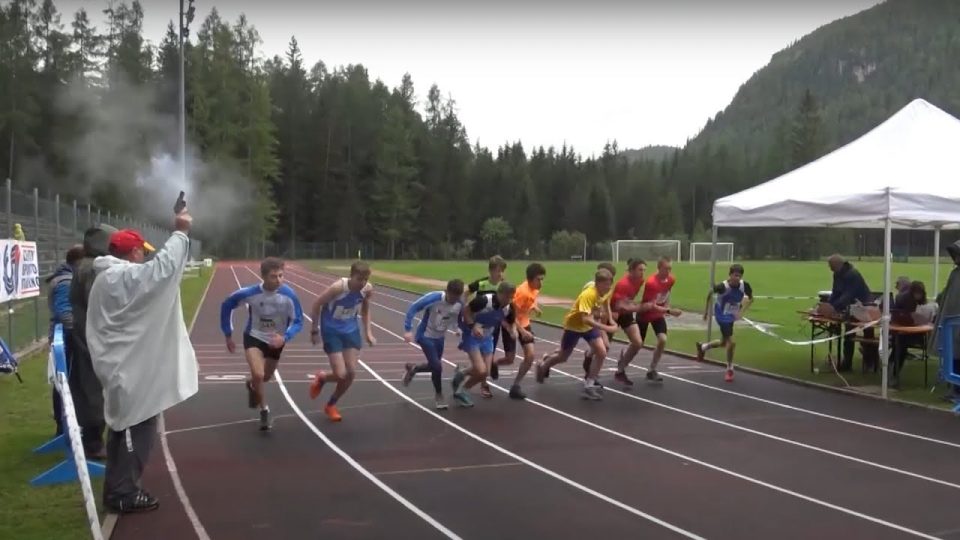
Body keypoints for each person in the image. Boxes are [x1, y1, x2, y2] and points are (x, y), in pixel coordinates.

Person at [87, 210, 197, 514]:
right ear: (133, 252)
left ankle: (116, 489)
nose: (143, 259)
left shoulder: (107, 278)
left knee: (124, 428)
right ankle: (123, 492)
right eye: (141, 253)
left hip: (121, 366)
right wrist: (181, 231)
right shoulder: (122, 277)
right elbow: (161, 272)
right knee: (137, 427)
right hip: (128, 369)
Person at [220, 257, 304, 430]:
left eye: (281, 275)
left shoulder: (289, 295)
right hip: (254, 337)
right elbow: (227, 305)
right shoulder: (250, 293)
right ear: (263, 276)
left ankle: (252, 384)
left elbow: (298, 321)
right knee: (259, 374)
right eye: (274, 276)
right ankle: (264, 411)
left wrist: (285, 337)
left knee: (265, 377)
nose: (279, 280)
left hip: (276, 341)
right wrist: (228, 333)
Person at [68, 224, 119, 461]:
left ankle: (93, 437)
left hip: (85, 333)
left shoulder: (85, 265)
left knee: (89, 386)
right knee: (92, 387)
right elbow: (95, 301)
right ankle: (93, 442)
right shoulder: (91, 269)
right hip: (89, 336)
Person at [308, 261, 376, 422]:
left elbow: (366, 309)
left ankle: (331, 405)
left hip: (350, 330)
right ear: (351, 276)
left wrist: (368, 332)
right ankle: (323, 377)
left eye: (366, 279)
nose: (363, 283)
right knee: (340, 374)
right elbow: (317, 304)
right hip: (331, 330)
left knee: (351, 373)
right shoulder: (338, 288)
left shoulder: (367, 290)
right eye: (360, 279)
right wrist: (314, 330)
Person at [537, 269, 619, 400]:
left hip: (588, 327)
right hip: (574, 326)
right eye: (605, 285)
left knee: (602, 352)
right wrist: (606, 328)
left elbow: (605, 301)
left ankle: (589, 386)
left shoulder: (607, 290)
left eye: (610, 285)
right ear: (597, 283)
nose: (608, 288)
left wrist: (611, 320)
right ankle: (544, 365)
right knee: (563, 356)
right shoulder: (588, 294)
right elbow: (585, 319)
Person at [451, 282, 518, 407]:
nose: (508, 300)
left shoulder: (510, 308)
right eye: (506, 297)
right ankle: (462, 391)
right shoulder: (483, 301)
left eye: (511, 297)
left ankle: (462, 374)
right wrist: (472, 326)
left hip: (487, 338)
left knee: (485, 372)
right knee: (481, 370)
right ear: (499, 293)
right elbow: (466, 311)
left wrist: (513, 331)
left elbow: (511, 322)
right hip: (472, 336)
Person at [402, 279, 466, 410]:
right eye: (452, 296)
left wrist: (457, 328)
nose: (454, 300)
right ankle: (439, 395)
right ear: (447, 291)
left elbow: (457, 317)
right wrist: (408, 329)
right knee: (437, 366)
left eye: (457, 297)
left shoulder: (459, 303)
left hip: (440, 338)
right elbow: (413, 308)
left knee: (434, 365)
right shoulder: (434, 298)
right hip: (425, 335)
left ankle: (414, 369)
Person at [47, 244, 85, 437]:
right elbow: (64, 311)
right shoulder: (66, 281)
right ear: (78, 262)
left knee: (64, 381)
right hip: (67, 338)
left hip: (64, 336)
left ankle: (65, 425)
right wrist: (79, 332)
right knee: (66, 381)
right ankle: (63, 426)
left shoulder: (64, 277)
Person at [495, 263, 545, 400]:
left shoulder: (535, 289)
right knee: (509, 359)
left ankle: (515, 386)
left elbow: (531, 300)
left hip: (525, 324)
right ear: (530, 279)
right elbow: (511, 315)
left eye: (542, 279)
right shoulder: (521, 293)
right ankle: (493, 364)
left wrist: (534, 307)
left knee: (530, 356)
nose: (541, 282)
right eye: (539, 279)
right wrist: (522, 331)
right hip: (511, 324)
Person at [697, 264, 754, 382]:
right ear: (730, 275)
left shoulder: (745, 286)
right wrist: (706, 312)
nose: (737, 278)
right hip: (721, 315)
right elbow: (709, 294)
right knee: (731, 343)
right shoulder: (723, 287)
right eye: (735, 275)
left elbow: (751, 299)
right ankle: (729, 369)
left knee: (724, 342)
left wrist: (741, 311)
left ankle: (703, 347)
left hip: (731, 316)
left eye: (739, 276)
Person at [824, 254, 875, 372]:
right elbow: (836, 292)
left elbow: (848, 294)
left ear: (837, 264)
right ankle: (847, 363)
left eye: (831, 265)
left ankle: (870, 361)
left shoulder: (853, 275)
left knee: (868, 333)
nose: (829, 268)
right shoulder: (837, 274)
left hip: (864, 306)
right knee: (848, 335)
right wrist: (829, 305)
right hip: (850, 308)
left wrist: (834, 307)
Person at [466, 255, 507, 397]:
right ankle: (483, 384)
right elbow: (467, 292)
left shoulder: (503, 286)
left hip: (493, 325)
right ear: (490, 271)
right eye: (497, 270)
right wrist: (465, 307)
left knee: (489, 354)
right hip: (478, 323)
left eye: (502, 271)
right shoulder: (482, 283)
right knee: (482, 359)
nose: (500, 274)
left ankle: (481, 380)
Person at [636, 256, 681, 382]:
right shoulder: (651, 283)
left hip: (657, 314)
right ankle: (622, 363)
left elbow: (667, 292)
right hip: (645, 313)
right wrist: (669, 311)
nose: (668, 271)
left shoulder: (671, 279)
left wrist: (667, 305)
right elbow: (652, 306)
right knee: (637, 344)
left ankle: (652, 369)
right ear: (659, 268)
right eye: (666, 269)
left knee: (662, 339)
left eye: (670, 269)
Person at [609, 259, 654, 387]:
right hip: (613, 313)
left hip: (626, 313)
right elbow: (619, 305)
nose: (643, 273)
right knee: (603, 346)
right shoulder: (623, 284)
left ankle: (621, 369)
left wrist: (635, 305)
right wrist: (640, 308)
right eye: (640, 270)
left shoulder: (640, 281)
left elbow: (628, 302)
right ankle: (589, 362)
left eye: (644, 270)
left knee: (637, 342)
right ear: (632, 270)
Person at [889, 281, 936, 388]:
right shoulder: (906, 300)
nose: (918, 296)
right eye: (916, 293)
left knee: (899, 347)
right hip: (905, 331)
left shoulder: (913, 300)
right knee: (900, 347)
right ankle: (893, 372)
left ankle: (892, 372)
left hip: (912, 331)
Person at [931, 240, 960, 400]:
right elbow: (948, 294)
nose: (954, 258)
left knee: (958, 357)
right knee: (952, 355)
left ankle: (957, 390)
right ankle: (953, 387)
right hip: (950, 323)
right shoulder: (955, 273)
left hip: (957, 323)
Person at [581, 262, 617, 380]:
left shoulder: (607, 289)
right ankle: (590, 373)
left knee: (604, 347)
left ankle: (590, 370)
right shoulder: (590, 288)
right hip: (587, 321)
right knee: (564, 351)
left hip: (599, 321)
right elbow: (587, 310)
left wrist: (610, 319)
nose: (609, 283)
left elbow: (606, 304)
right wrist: (603, 322)